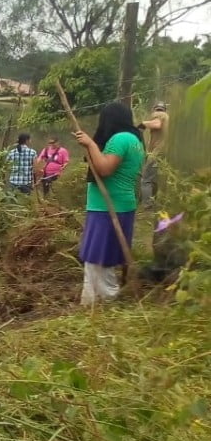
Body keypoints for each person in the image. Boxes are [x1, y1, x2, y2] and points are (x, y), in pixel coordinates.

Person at [73, 102, 145, 306]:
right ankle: (101, 299)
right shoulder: (135, 139)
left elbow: (105, 169)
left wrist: (91, 144)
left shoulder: (120, 138)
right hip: (117, 204)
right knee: (105, 255)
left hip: (108, 207)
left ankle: (104, 301)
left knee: (97, 257)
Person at [138, 102, 169, 204]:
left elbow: (157, 124)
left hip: (156, 153)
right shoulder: (167, 117)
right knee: (153, 179)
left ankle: (147, 206)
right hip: (164, 152)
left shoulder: (158, 114)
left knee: (146, 179)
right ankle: (153, 201)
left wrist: (143, 124)